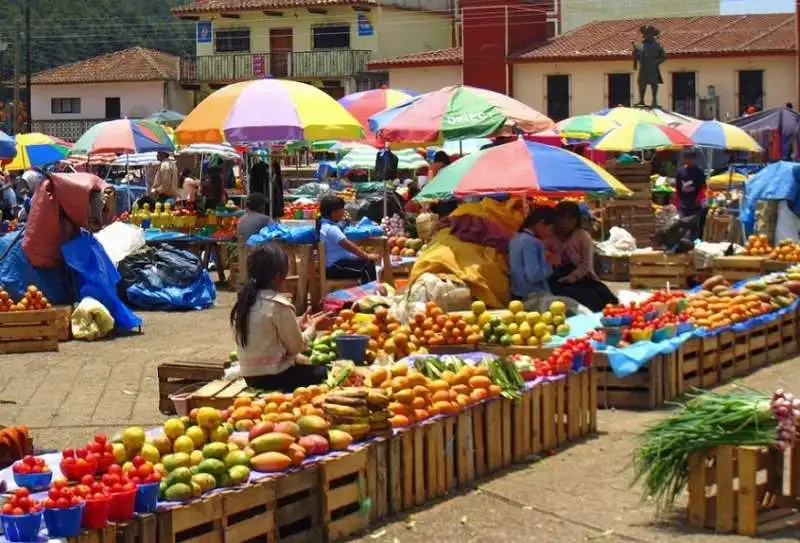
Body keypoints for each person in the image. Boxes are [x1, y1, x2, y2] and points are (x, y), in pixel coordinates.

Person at [230, 244, 330, 392]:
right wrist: (311, 327)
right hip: (276, 376)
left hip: (250, 377)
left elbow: (266, 330)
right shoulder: (279, 304)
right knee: (324, 372)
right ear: (279, 276)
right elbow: (297, 347)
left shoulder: (244, 303)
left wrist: (295, 323)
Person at [548, 202, 618, 312]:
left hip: (580, 275)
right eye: (563, 218)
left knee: (607, 297)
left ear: (577, 220)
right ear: (556, 218)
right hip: (555, 278)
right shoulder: (548, 234)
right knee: (591, 300)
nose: (566, 222)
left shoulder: (583, 236)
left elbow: (586, 264)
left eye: (571, 219)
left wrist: (571, 278)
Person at [317, 195, 378, 284]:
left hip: (337, 264)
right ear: (334, 212)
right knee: (368, 266)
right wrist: (366, 255)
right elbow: (348, 245)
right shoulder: (331, 228)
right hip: (335, 267)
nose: (344, 211)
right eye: (342, 209)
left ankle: (366, 291)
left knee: (367, 263)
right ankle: (370, 294)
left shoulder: (325, 225)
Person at [509, 207, 558, 300]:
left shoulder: (516, 237)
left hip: (517, 292)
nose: (550, 234)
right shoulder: (533, 242)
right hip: (533, 294)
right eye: (551, 229)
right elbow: (534, 276)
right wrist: (550, 264)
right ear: (541, 223)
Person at [673, 150, 706, 239]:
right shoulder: (680, 171)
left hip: (695, 206)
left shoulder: (699, 172)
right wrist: (677, 201)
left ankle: (694, 245)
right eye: (686, 158)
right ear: (683, 159)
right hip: (683, 205)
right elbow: (678, 188)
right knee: (682, 227)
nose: (688, 160)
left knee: (694, 229)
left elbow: (702, 188)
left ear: (694, 159)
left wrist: (698, 200)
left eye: (690, 159)